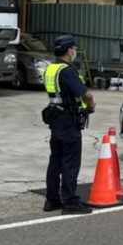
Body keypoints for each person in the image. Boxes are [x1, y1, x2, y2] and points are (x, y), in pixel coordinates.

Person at [42, 34, 95, 214]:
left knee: (55, 161)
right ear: (68, 50)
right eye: (74, 48)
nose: (75, 51)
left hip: (55, 119)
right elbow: (86, 94)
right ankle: (70, 201)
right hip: (68, 120)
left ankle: (52, 200)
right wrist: (91, 106)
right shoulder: (67, 71)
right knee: (70, 162)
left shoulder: (51, 69)